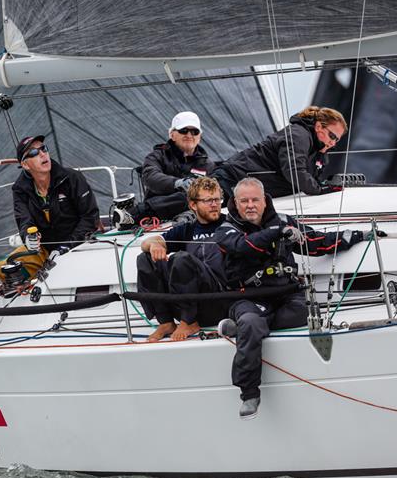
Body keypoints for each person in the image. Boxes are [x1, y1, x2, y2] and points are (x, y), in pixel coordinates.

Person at [213, 177, 372, 419]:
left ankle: (245, 328)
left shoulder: (285, 221)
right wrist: (276, 232)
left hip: (285, 294)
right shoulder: (226, 228)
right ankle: (249, 393)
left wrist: (358, 235)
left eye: (255, 199)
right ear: (235, 202)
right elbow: (245, 247)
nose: (250, 205)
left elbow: (316, 243)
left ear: (265, 201)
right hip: (249, 297)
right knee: (251, 322)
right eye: (244, 201)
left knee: (302, 313)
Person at [136, 177, 228, 342]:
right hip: (189, 299)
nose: (214, 204)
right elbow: (146, 243)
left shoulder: (230, 225)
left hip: (217, 299)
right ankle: (166, 321)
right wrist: (154, 245)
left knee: (181, 258)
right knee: (145, 258)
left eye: (217, 199)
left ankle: (189, 322)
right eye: (208, 200)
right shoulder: (186, 230)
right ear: (193, 205)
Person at [6, 135, 99, 282]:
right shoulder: (20, 189)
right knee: (4, 269)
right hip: (44, 249)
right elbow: (24, 221)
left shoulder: (72, 178)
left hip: (79, 243)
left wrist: (66, 246)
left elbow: (90, 218)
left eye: (43, 148)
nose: (42, 154)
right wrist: (28, 238)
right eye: (34, 153)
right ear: (25, 165)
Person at [213, 106, 347, 200]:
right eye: (332, 136)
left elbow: (311, 177)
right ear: (318, 127)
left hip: (243, 189)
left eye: (337, 140)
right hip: (230, 180)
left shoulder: (315, 147)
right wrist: (318, 190)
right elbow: (294, 171)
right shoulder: (298, 135)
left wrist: (321, 154)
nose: (333, 143)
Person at [133, 112, 216, 223]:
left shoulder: (208, 164)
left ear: (199, 137)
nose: (189, 135)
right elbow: (150, 176)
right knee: (188, 195)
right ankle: (137, 213)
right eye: (183, 130)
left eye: (195, 132)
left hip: (192, 217)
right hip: (156, 218)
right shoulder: (157, 156)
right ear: (172, 135)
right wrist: (178, 183)